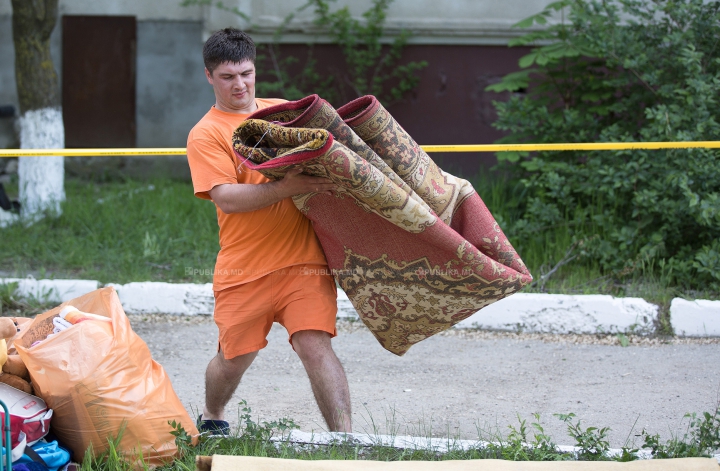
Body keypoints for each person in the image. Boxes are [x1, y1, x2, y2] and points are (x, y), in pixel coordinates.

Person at [186, 28, 352, 435]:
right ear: (209, 76)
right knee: (232, 358)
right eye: (228, 77)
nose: (240, 84)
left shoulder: (284, 114)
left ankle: (347, 441)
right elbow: (225, 197)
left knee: (316, 344)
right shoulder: (206, 133)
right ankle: (212, 416)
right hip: (245, 268)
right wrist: (287, 188)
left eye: (246, 73)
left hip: (304, 263)